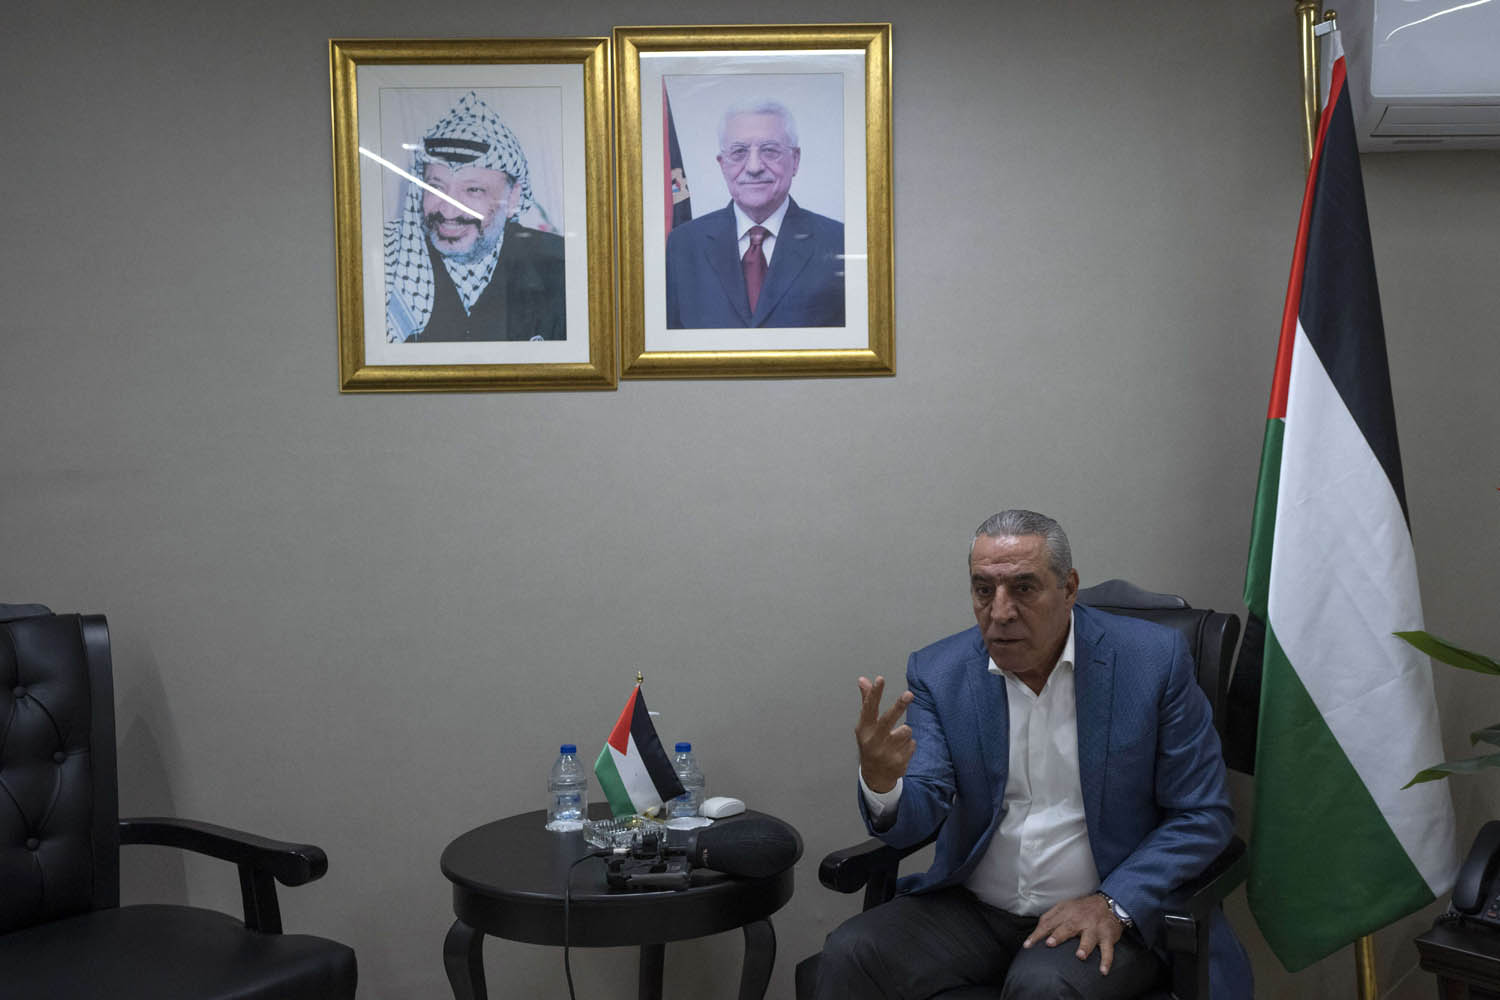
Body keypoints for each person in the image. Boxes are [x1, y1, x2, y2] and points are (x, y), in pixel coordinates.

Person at [814, 510, 1252, 999]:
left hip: (1098, 906)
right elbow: (923, 808)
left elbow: (1202, 815)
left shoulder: (1152, 661)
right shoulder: (939, 671)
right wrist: (883, 785)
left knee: (1043, 986)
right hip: (973, 909)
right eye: (984, 589)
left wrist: (1114, 902)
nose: (1000, 612)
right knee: (851, 954)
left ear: (1069, 588)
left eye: (1023, 588)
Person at [384, 91, 565, 343]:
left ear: (512, 198)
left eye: (473, 190)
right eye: (435, 187)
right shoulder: (390, 260)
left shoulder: (561, 265)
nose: (448, 212)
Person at [665, 98, 844, 329]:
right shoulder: (683, 244)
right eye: (739, 152)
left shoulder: (839, 241)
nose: (754, 167)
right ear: (722, 164)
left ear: (795, 160)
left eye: (770, 150)